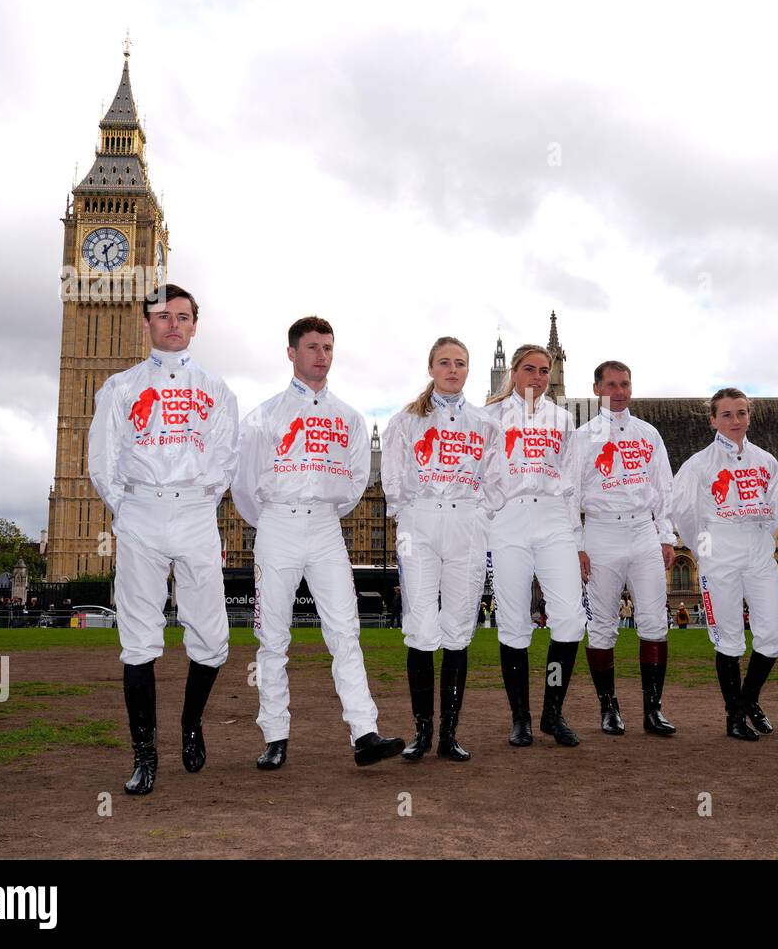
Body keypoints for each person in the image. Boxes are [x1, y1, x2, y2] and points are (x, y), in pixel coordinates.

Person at [231, 315, 404, 771]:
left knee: (346, 632)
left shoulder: (348, 417)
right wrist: (274, 520)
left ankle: (365, 732)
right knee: (273, 637)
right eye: (312, 347)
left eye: (328, 347)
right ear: (291, 353)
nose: (322, 356)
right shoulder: (262, 418)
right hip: (277, 527)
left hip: (327, 529)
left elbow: (352, 486)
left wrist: (319, 512)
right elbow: (244, 488)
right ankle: (275, 736)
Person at [88, 283, 239, 795]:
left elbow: (225, 459)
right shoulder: (119, 388)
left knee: (213, 638)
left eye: (182, 316)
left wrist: (198, 499)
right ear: (147, 323)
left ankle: (191, 724)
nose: (172, 323)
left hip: (196, 511)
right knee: (138, 640)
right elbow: (103, 460)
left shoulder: (217, 390)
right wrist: (128, 507)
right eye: (162, 315)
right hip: (140, 512)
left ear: (195, 324)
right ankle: (144, 755)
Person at [381, 336, 503, 761]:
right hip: (421, 522)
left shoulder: (485, 424)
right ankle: (423, 733)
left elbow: (497, 482)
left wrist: (478, 517)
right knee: (419, 627)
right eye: (445, 362)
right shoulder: (406, 421)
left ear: (468, 370)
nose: (453, 369)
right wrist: (407, 515)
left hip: (466, 523)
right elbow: (391, 479)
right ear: (431, 368)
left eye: (461, 363)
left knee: (457, 629)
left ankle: (449, 735)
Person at [672, 388, 778, 741]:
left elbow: (775, 508)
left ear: (749, 416)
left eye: (741, 413)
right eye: (726, 414)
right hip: (718, 550)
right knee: (728, 637)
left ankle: (747, 701)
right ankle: (733, 717)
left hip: (756, 549)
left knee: (773, 633)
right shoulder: (698, 465)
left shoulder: (766, 461)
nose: (735, 421)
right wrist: (705, 547)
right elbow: (684, 513)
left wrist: (759, 540)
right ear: (713, 420)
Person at [485, 344, 585, 747]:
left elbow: (573, 481)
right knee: (513, 622)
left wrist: (577, 540)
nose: (538, 377)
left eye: (545, 370)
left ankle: (552, 712)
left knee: (570, 619)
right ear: (514, 371)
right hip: (508, 519)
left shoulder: (562, 419)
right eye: (530, 369)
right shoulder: (489, 417)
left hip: (553, 517)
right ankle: (521, 718)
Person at [572, 360, 677, 736]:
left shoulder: (648, 434)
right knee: (601, 625)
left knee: (654, 622)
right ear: (598, 388)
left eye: (625, 384)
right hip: (601, 532)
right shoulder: (582, 438)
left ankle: (653, 709)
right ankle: (609, 707)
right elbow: (572, 496)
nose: (619, 392)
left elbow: (664, 488)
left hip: (642, 531)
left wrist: (666, 536)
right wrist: (579, 545)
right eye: (612, 384)